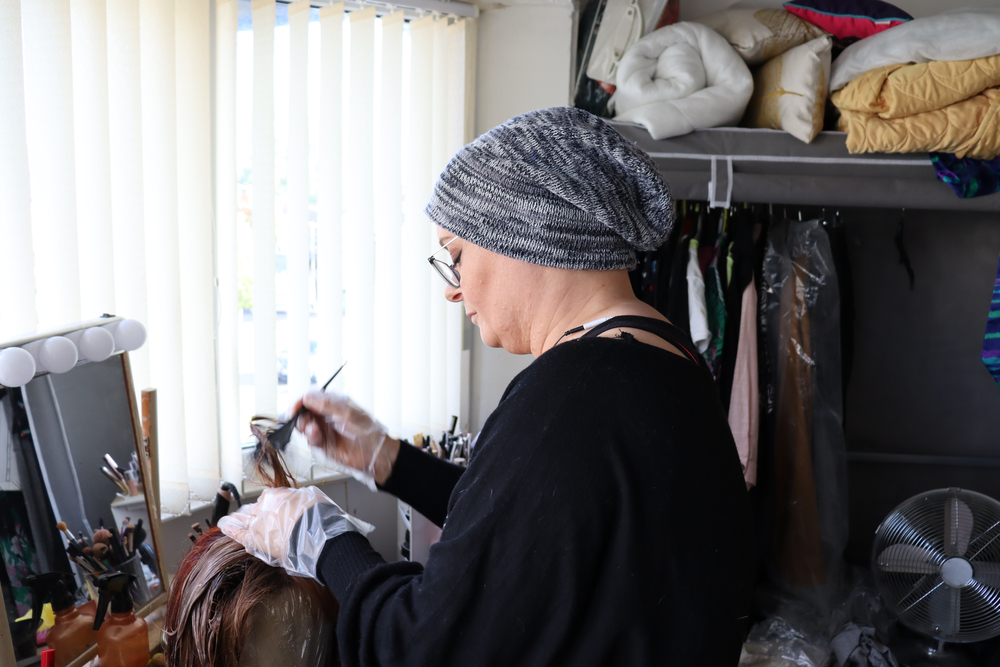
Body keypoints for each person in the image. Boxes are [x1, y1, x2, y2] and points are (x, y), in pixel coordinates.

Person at [219, 106, 755, 666]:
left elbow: (422, 646)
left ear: (525, 231)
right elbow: (531, 532)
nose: (453, 291)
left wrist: (324, 542)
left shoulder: (569, 397)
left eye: (456, 255)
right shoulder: (662, 361)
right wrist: (388, 460)